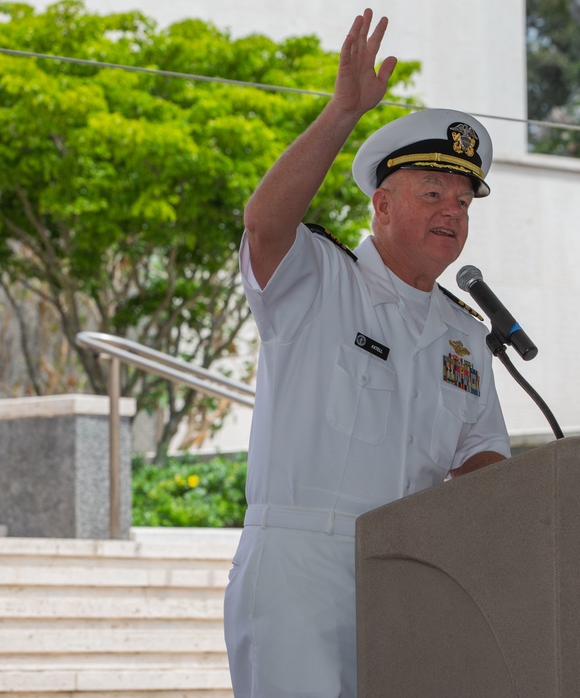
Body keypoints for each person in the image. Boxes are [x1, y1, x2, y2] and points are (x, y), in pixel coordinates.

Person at [222, 8, 511, 697]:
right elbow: (264, 223)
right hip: (300, 570)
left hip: (407, 575)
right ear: (380, 206)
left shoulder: (464, 335)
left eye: (464, 201)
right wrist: (342, 112)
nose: (452, 212)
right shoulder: (318, 280)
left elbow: (485, 456)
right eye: (433, 193)